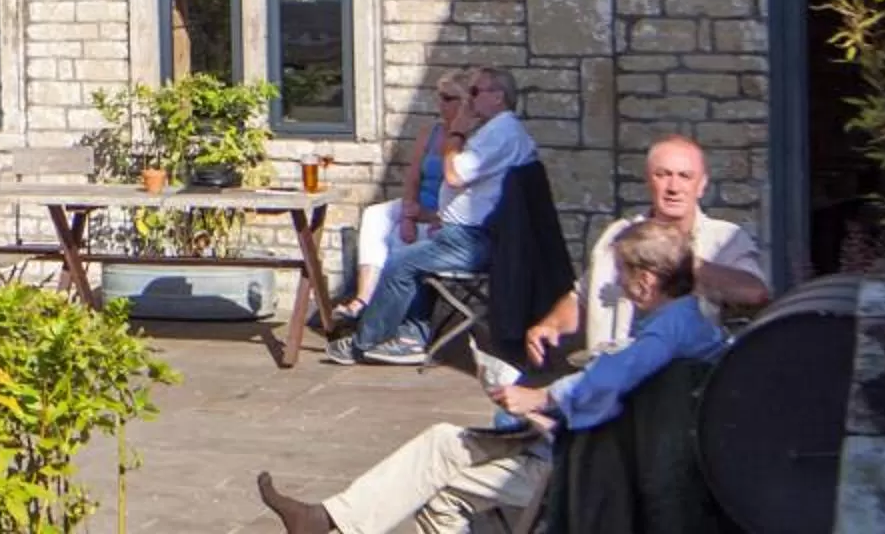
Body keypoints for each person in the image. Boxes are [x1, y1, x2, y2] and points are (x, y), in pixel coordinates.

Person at [258, 217, 730, 534]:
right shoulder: (685, 323)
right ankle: (329, 520)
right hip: (592, 449)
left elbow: (610, 381)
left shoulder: (667, 332)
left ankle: (331, 523)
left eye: (625, 276)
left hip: (589, 473)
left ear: (646, 282)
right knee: (444, 442)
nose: (621, 287)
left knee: (442, 491)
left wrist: (540, 401)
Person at [330, 65, 536, 365]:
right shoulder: (499, 131)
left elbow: (453, 175)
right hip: (461, 232)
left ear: (498, 97)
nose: (469, 101)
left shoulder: (499, 133)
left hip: (473, 240)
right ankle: (411, 334)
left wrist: (457, 132)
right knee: (406, 249)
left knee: (401, 263)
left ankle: (366, 342)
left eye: (475, 92)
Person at [524, 135, 769, 366]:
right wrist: (551, 325)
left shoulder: (724, 237)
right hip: (612, 381)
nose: (674, 187)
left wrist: (682, 263)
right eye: (663, 175)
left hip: (683, 384)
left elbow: (756, 294)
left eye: (685, 176)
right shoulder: (618, 235)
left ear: (702, 185)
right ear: (648, 181)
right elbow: (583, 299)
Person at [336, 70, 471, 321]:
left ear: (465, 102)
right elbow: (413, 178)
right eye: (439, 97)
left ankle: (393, 318)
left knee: (401, 240)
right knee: (375, 215)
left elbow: (468, 197)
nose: (440, 104)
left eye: (447, 98)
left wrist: (429, 216)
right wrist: (409, 213)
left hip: (446, 216)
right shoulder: (430, 133)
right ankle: (363, 298)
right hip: (419, 205)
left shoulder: (473, 140)